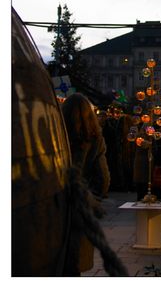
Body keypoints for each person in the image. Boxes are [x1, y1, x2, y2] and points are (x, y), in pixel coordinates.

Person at [62, 93, 110, 275]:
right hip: (79, 206)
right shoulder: (94, 139)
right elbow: (103, 179)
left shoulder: (55, 135)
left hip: (54, 204)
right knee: (75, 262)